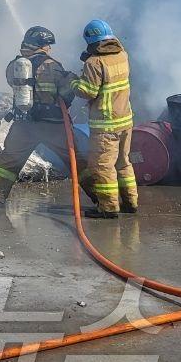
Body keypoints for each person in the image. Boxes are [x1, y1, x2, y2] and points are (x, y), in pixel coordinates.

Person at [0, 25, 80, 207]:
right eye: (48, 45)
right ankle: (103, 198)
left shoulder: (14, 66)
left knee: (8, 162)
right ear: (41, 45)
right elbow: (66, 92)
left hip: (24, 125)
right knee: (77, 159)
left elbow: (12, 82)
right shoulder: (53, 66)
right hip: (52, 125)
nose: (50, 48)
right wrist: (71, 79)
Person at [71, 18, 137, 219]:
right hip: (125, 120)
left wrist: (73, 82)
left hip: (106, 125)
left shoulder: (94, 63)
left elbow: (88, 91)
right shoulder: (122, 54)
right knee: (123, 162)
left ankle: (108, 208)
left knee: (102, 166)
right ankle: (130, 202)